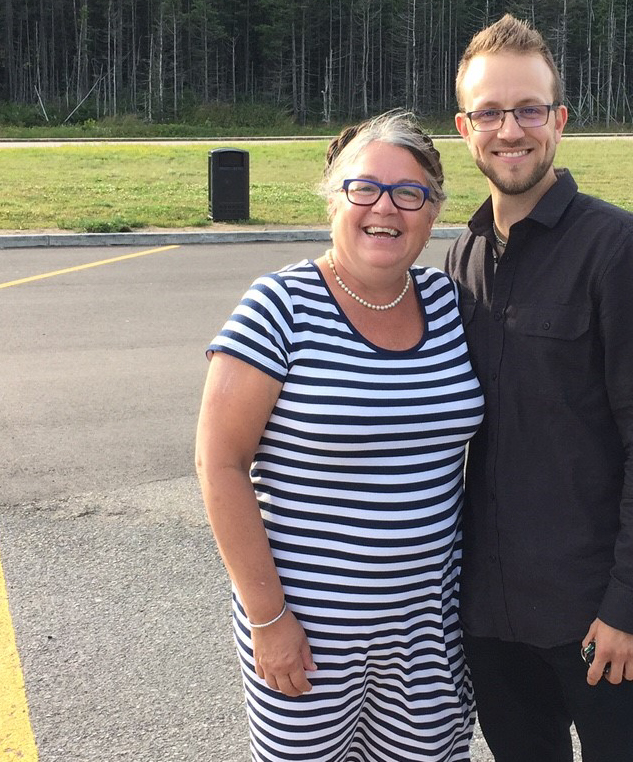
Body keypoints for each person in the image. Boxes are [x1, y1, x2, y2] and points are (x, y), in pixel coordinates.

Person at [195, 110, 484, 762]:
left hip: (429, 634)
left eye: (409, 193)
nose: (385, 207)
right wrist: (269, 621)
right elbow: (219, 464)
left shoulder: (447, 303)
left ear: (433, 211)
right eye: (364, 188)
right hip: (306, 634)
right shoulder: (279, 308)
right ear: (335, 198)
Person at [444, 15, 633, 762]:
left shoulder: (618, 249)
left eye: (527, 110)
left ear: (557, 120)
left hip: (596, 619)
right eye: (489, 112)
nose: (509, 130)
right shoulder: (462, 259)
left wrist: (631, 608)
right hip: (491, 618)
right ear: (464, 128)